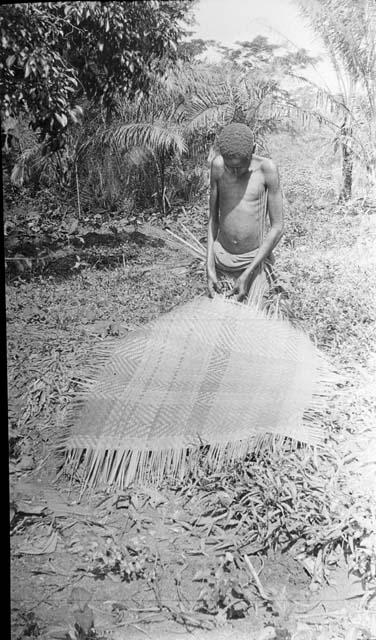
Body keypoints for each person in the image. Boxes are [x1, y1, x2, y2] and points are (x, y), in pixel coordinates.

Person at [206, 122, 284, 303]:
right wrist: (209, 267)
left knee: (256, 318)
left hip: (253, 261)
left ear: (254, 149)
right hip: (222, 258)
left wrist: (248, 273)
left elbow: (278, 227)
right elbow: (213, 220)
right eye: (229, 166)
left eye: (240, 166)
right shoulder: (217, 166)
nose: (234, 171)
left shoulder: (267, 169)